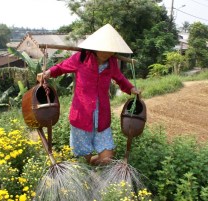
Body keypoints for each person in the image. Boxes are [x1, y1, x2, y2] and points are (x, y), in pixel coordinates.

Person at [37, 24, 140, 166]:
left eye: (111, 50)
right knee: (83, 160)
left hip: (102, 117)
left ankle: (93, 166)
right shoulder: (81, 58)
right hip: (82, 116)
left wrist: (132, 89)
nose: (107, 53)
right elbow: (61, 67)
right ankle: (88, 173)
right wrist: (48, 73)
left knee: (107, 158)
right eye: (104, 49)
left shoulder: (112, 63)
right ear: (95, 47)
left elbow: (120, 79)